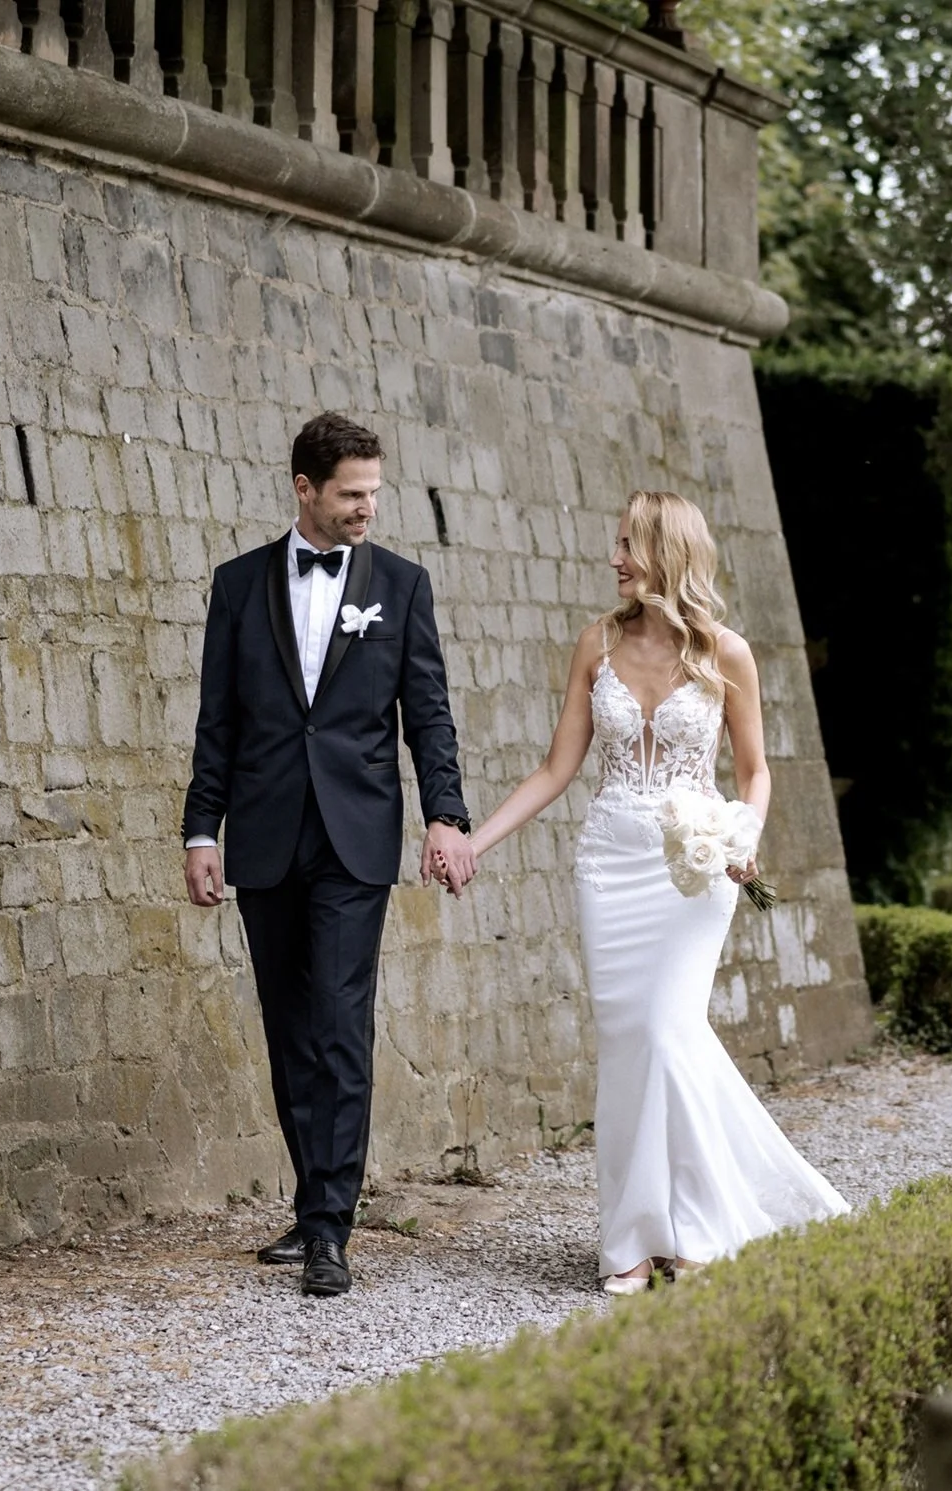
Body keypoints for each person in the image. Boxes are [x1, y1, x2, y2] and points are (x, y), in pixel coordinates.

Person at [458, 490, 848, 1294]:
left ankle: (699, 1226)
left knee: (669, 1033)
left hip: (693, 872)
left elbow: (755, 770)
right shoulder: (595, 643)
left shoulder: (726, 652)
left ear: (668, 552)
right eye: (616, 542)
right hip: (609, 863)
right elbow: (555, 769)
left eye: (628, 544)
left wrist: (743, 833)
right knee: (631, 1045)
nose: (614, 558)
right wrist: (475, 841)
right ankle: (632, 1238)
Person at [182, 412, 477, 1298]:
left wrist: (445, 815)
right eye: (351, 494)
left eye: (374, 493)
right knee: (287, 1028)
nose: (366, 510)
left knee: (340, 1023)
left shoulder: (402, 585)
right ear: (304, 489)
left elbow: (427, 714)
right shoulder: (237, 587)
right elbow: (217, 722)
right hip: (266, 834)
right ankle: (312, 1200)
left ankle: (329, 1230)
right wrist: (203, 830)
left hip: (356, 834)